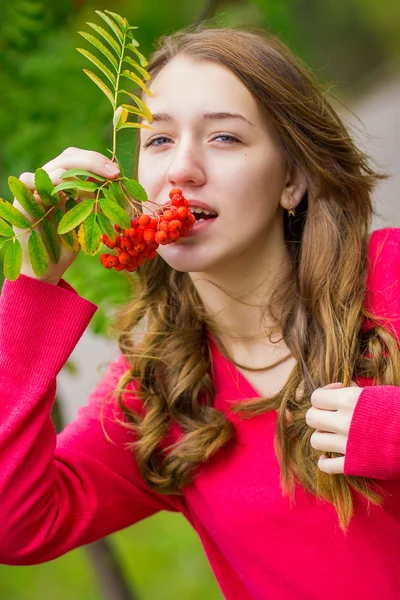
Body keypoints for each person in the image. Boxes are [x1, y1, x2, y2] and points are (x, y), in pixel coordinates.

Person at [1, 23, 400, 600]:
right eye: (158, 141)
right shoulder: (159, 391)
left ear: (292, 179)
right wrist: (34, 283)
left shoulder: (389, 278)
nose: (181, 170)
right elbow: (17, 528)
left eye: (224, 139)